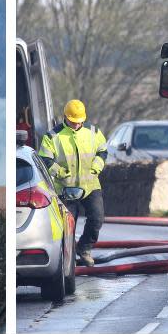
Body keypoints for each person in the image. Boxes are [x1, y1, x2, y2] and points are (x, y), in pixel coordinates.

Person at [38, 99, 108, 266]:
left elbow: (103, 151)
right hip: (65, 188)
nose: (77, 125)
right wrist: (60, 173)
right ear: (65, 117)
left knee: (97, 218)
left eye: (79, 122)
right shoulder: (52, 136)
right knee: (67, 226)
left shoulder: (93, 132)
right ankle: (67, 260)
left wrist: (96, 168)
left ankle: (84, 248)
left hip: (90, 186)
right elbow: (44, 160)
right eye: (73, 121)